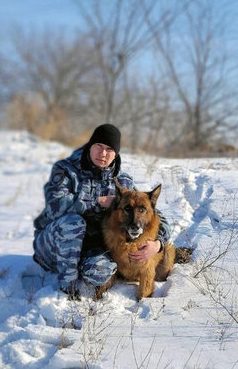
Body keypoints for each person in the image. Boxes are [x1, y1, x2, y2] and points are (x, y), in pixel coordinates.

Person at [33, 123, 171, 299]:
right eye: (98, 146)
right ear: (90, 145)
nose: (103, 153)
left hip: (91, 247)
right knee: (73, 223)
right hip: (54, 246)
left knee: (101, 272)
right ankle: (68, 288)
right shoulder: (66, 170)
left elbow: (152, 214)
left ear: (116, 153)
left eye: (109, 149)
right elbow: (54, 207)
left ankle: (81, 267)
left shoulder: (123, 183)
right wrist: (97, 202)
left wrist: (158, 244)